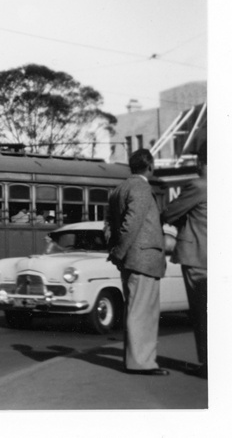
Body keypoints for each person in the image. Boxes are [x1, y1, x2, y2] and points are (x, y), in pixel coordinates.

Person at [107, 149, 168, 375]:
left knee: (135, 309)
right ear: (150, 166)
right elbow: (131, 224)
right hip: (144, 259)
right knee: (144, 313)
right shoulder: (142, 188)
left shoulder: (119, 189)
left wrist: (115, 252)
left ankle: (136, 360)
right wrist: (121, 252)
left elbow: (109, 224)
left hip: (131, 260)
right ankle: (141, 363)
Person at [161, 142, 207, 378]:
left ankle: (207, 364)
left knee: (202, 313)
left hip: (198, 257)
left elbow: (170, 212)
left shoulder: (198, 185)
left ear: (200, 162)